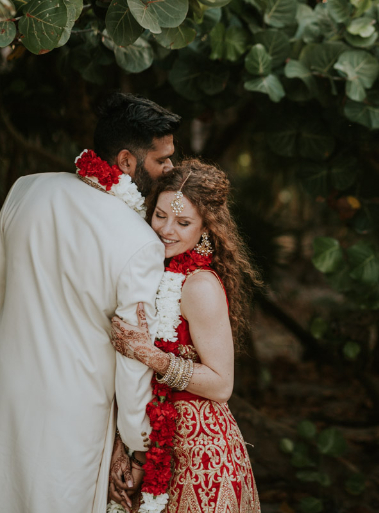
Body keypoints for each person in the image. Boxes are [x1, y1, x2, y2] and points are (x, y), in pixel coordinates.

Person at [0, 93, 180, 513]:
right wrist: (137, 442)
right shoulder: (141, 243)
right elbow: (133, 357)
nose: (171, 168)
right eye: (162, 159)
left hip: (7, 391)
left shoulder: (27, 189)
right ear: (127, 161)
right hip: (75, 417)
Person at [109, 159, 261, 513]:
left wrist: (151, 355)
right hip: (155, 441)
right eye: (160, 215)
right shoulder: (152, 273)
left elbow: (222, 384)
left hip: (201, 454)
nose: (166, 230)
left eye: (183, 222)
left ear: (205, 228)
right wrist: (128, 447)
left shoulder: (199, 286)